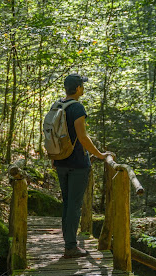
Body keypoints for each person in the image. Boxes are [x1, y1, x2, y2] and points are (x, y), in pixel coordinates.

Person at [54, 73, 109, 258]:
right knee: (74, 206)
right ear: (77, 88)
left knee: (67, 203)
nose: (83, 89)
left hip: (60, 160)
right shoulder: (77, 108)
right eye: (82, 86)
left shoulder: (58, 104)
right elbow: (83, 137)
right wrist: (100, 155)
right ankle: (70, 246)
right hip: (77, 163)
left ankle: (68, 243)